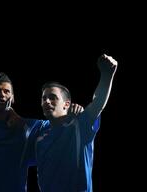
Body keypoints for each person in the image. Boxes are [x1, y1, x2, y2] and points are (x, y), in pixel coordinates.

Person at [0, 72, 84, 192]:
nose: (2, 94)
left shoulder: (26, 127)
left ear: (12, 98)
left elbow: (56, 123)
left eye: (6, 91)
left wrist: (72, 113)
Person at [36, 54, 118, 192]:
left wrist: (106, 75)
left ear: (66, 104)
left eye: (52, 98)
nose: (47, 102)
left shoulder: (80, 124)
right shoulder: (39, 132)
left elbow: (98, 103)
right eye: (44, 98)